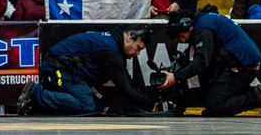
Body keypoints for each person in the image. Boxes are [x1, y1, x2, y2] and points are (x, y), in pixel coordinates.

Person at [17, 26, 163, 115]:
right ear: (130, 37)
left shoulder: (114, 45)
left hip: (69, 71)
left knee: (97, 107)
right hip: (58, 69)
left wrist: (148, 102)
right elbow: (125, 88)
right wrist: (150, 106)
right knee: (88, 106)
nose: (137, 54)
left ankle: (39, 103)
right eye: (138, 48)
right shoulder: (110, 50)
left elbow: (127, 82)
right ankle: (36, 93)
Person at [165, 9, 261, 117]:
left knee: (214, 107)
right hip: (237, 64)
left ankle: (256, 98)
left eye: (181, 35)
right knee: (207, 92)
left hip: (241, 67)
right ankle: (247, 93)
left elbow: (202, 62)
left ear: (187, 25)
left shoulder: (203, 29)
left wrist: (176, 77)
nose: (182, 40)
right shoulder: (204, 21)